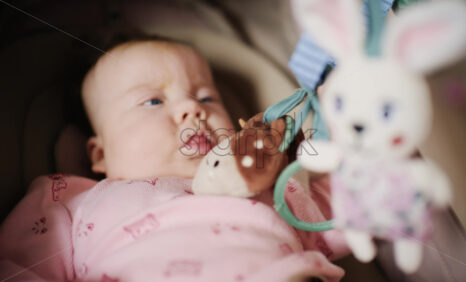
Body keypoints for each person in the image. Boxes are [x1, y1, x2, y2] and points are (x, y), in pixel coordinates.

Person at [0, 39, 349, 281]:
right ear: (100, 154)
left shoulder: (269, 182)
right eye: (153, 101)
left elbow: (349, 206)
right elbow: (19, 268)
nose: (192, 109)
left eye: (207, 98)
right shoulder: (72, 200)